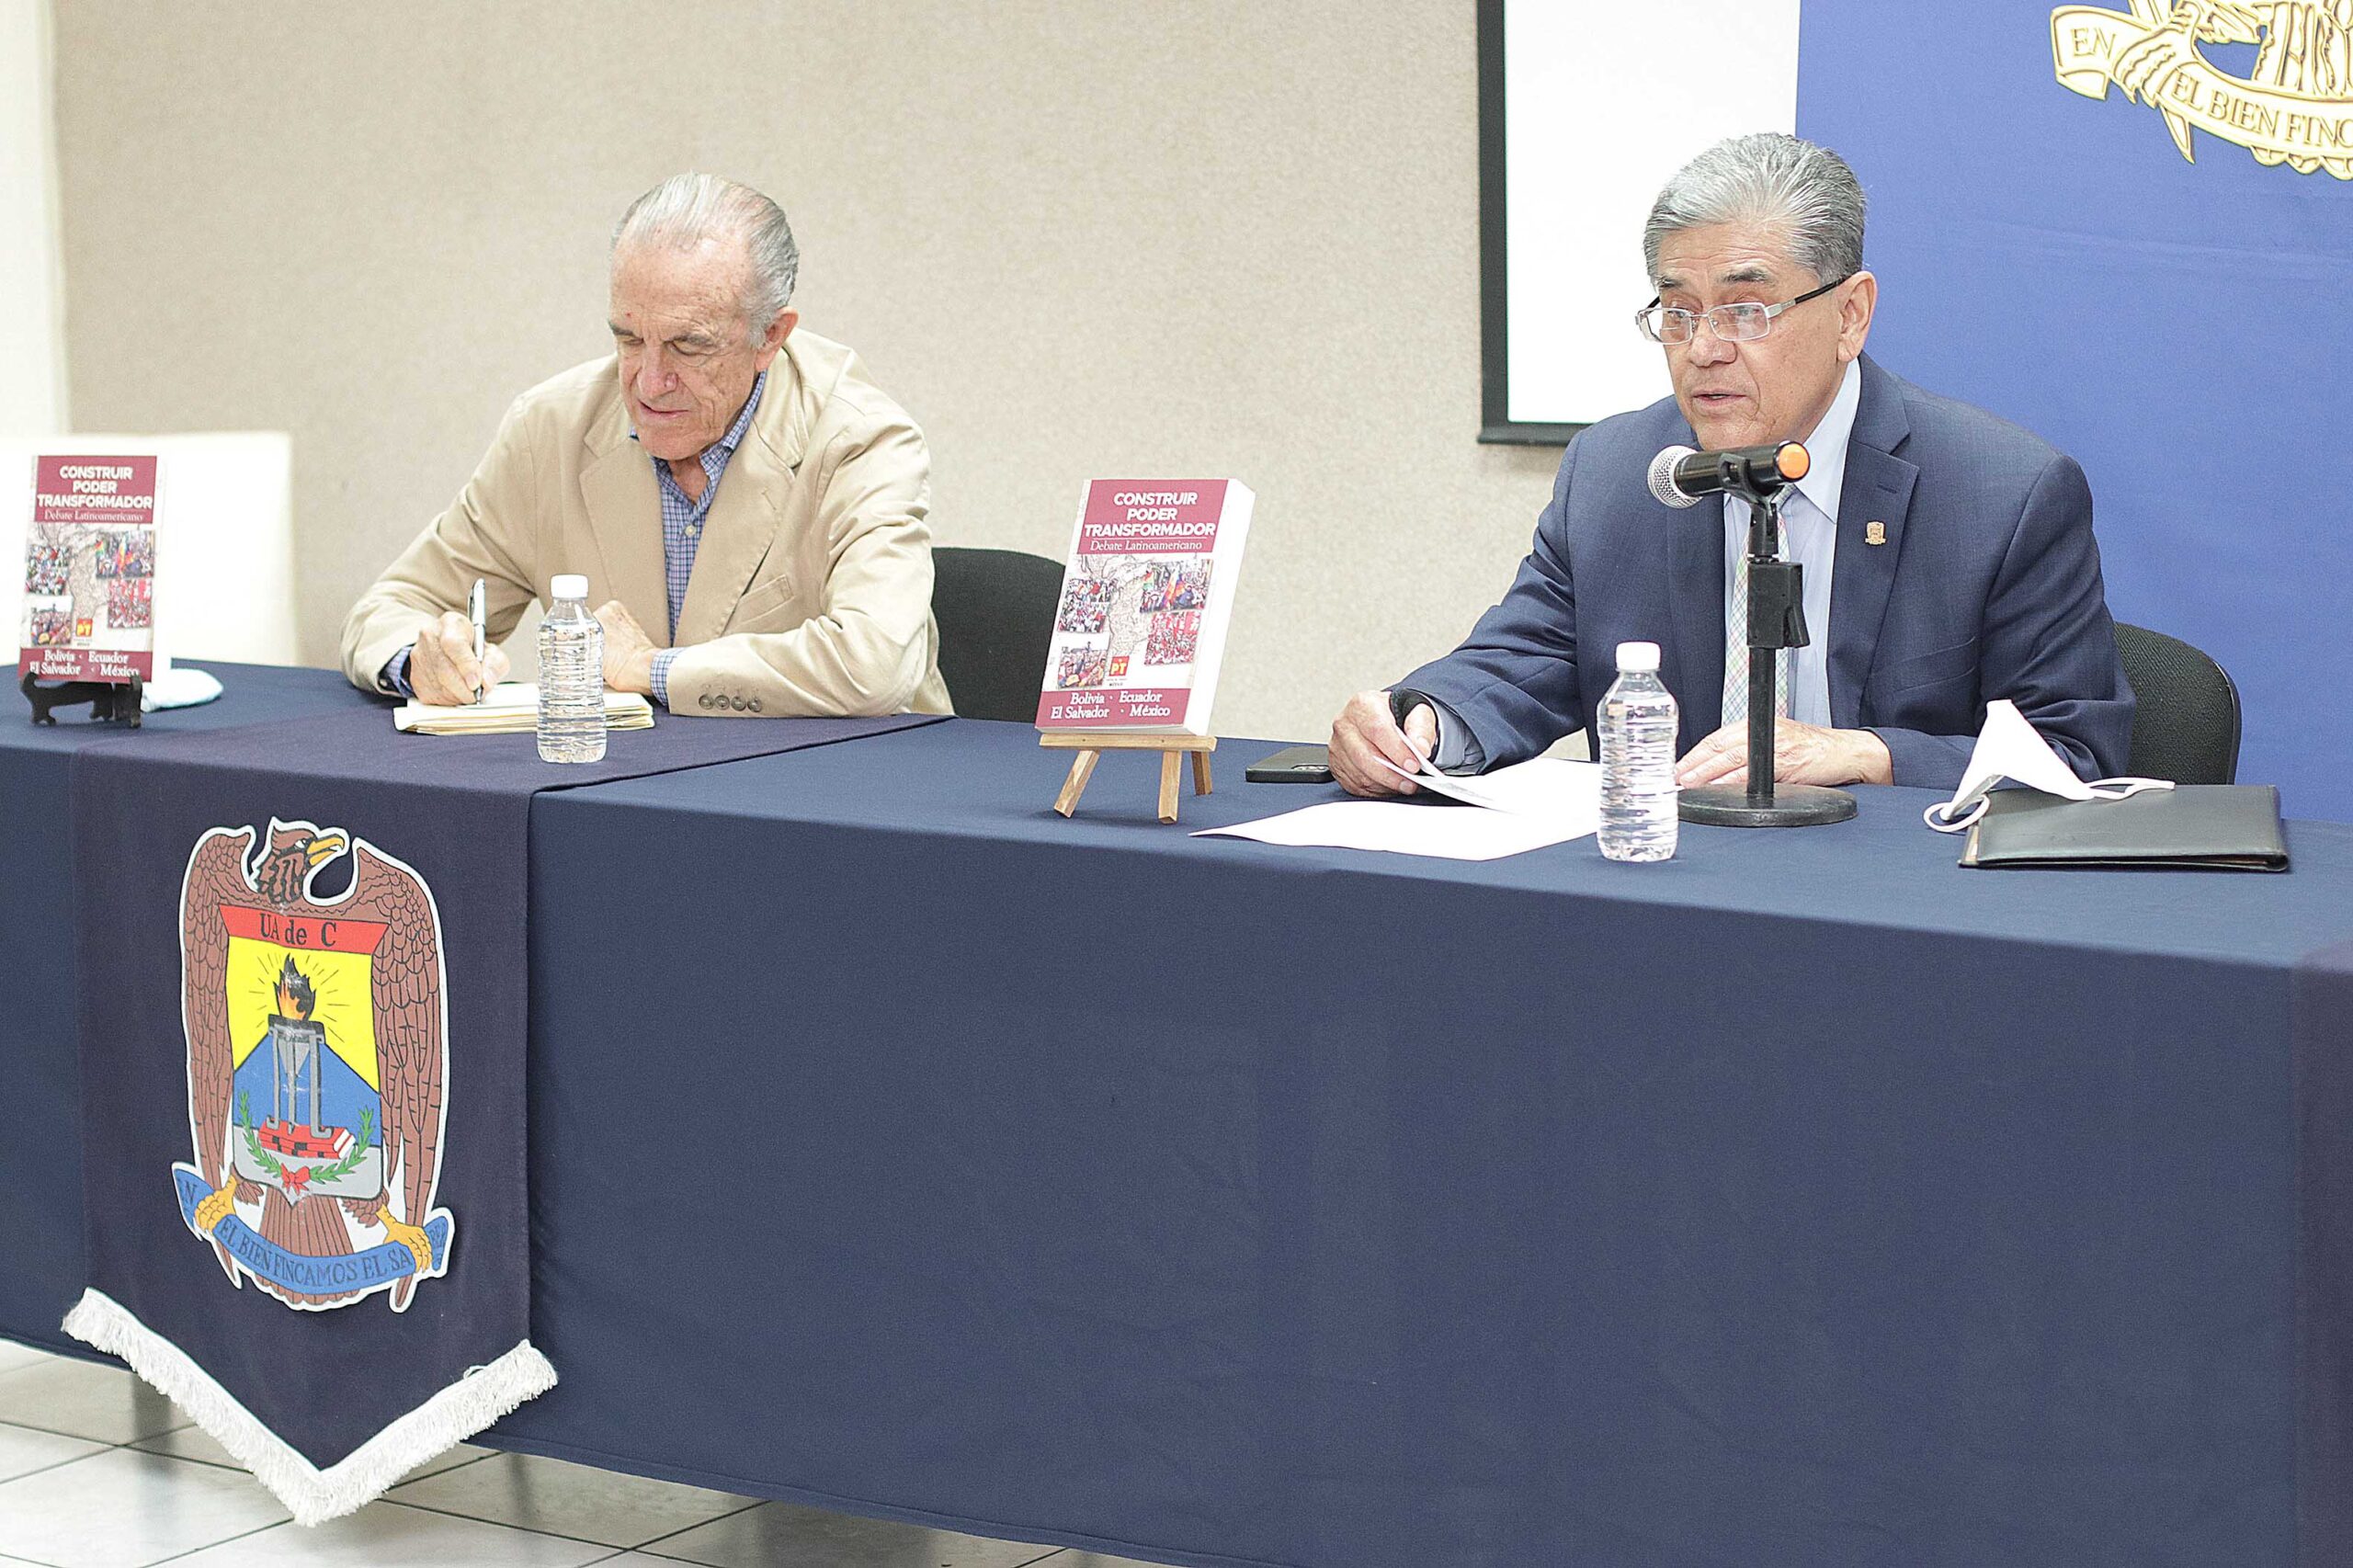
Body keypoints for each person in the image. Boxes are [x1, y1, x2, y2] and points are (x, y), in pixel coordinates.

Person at [1328, 133, 2131, 798]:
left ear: (1850, 315)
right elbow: (1520, 661)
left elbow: (2075, 752)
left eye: (1746, 311)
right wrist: (1425, 722)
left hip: (1900, 899)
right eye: (1678, 313)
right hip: (1676, 885)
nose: (1704, 349)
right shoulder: (1617, 472)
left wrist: (1868, 755)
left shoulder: (2004, 494)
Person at [341, 173, 951, 717]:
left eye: (689, 346)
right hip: (623, 788)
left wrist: (653, 670)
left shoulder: (860, 439)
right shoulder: (552, 427)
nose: (649, 382)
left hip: (838, 785)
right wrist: (419, 660)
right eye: (629, 339)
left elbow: (874, 666)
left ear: (770, 336)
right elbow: (395, 606)